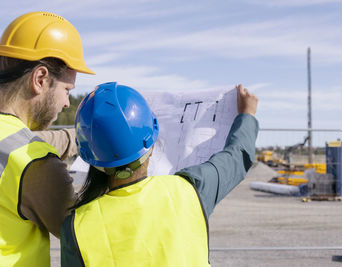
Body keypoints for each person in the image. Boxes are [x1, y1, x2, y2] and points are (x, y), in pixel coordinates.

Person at [60, 82, 259, 266]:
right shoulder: (190, 191)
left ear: (88, 155)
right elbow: (237, 155)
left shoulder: (76, 226)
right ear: (152, 145)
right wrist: (247, 115)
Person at [0, 11, 94, 267]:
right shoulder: (37, 165)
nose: (66, 103)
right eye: (67, 90)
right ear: (40, 79)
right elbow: (90, 240)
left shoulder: (11, 145)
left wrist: (78, 137)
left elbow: (31, 140)